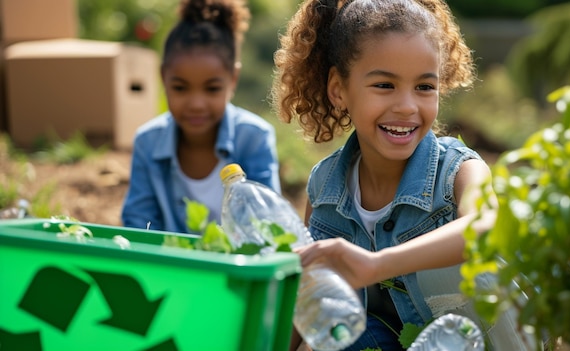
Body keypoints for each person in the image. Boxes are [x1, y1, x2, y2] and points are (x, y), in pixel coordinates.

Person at [270, 0, 501, 350]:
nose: (407, 106)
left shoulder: (460, 171)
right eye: (384, 85)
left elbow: (485, 226)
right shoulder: (324, 187)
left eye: (424, 87)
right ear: (338, 90)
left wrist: (376, 265)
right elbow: (308, 304)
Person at [122, 0, 280, 233]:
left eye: (212, 89)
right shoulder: (148, 142)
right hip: (170, 267)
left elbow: (268, 223)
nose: (196, 104)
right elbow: (139, 224)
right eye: (180, 88)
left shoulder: (254, 138)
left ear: (233, 79)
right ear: (163, 77)